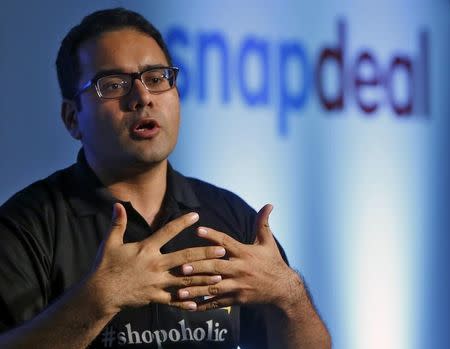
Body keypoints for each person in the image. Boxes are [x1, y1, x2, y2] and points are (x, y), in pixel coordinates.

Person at [0, 7, 330, 349]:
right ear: (72, 118)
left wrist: (290, 297)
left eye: (156, 78)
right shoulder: (27, 227)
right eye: (113, 84)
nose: (142, 97)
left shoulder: (230, 219)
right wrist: (97, 302)